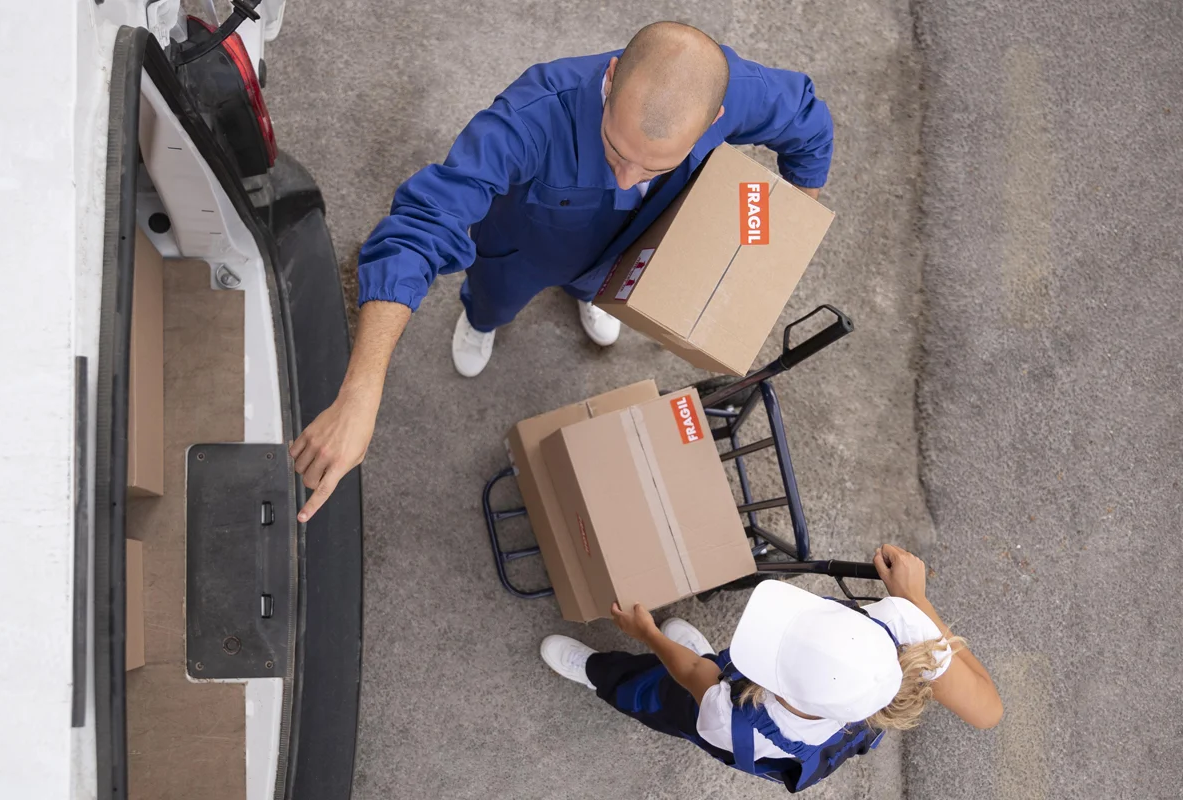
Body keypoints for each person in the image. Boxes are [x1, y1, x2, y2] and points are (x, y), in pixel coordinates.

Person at [288, 21, 835, 522]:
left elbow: (808, 124)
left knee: (606, 289)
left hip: (629, 253)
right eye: (615, 149)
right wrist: (362, 389)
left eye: (655, 165)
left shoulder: (736, 91)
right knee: (492, 301)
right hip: (522, 251)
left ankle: (594, 296)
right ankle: (481, 321)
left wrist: (777, 231)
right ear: (613, 75)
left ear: (716, 118)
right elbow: (424, 222)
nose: (626, 179)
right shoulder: (530, 114)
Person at [539, 544, 1003, 792]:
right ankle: (696, 655)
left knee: (660, 692)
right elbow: (988, 712)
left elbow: (692, 678)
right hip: (748, 697)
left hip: (714, 697)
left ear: (775, 687)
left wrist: (647, 636)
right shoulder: (899, 629)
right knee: (707, 672)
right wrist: (915, 601)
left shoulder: (732, 719)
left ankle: (599, 672)